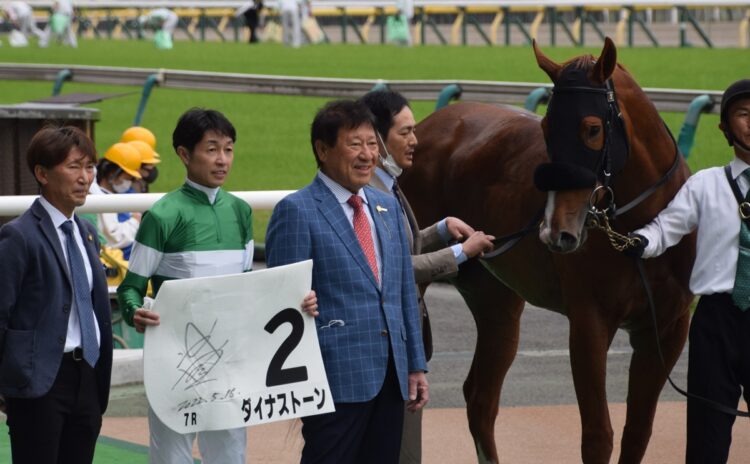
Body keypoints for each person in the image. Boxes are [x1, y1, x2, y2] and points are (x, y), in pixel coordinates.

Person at [116, 108, 317, 464]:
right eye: (211, 149)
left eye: (228, 149)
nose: (222, 160)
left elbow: (246, 288)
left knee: (229, 452)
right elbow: (131, 288)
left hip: (230, 356)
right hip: (174, 356)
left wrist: (295, 301)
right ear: (184, 154)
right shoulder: (162, 215)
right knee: (171, 453)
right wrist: (136, 311)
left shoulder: (240, 212)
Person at [265, 100, 429, 463]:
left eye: (372, 144)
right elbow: (278, 302)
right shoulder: (297, 210)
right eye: (355, 144)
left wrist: (415, 365)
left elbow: (404, 293)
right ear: (323, 150)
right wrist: (296, 302)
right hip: (332, 377)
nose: (367, 155)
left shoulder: (384, 206)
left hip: (391, 376)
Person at [360, 90, 495, 464]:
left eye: (414, 131)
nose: (415, 141)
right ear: (376, 137)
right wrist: (460, 253)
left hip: (404, 346)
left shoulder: (389, 184)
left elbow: (406, 243)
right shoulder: (370, 192)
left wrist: (441, 228)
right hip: (385, 345)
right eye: (405, 132)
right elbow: (393, 269)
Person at [626, 79, 750, 463]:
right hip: (716, 322)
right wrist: (640, 241)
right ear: (725, 127)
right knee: (707, 438)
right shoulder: (705, 184)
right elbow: (667, 227)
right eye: (744, 114)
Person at [0, 126, 113, 463]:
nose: (85, 178)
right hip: (40, 381)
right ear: (42, 173)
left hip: (88, 376)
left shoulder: (87, 232)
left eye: (90, 167)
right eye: (74, 166)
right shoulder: (18, 236)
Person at [93, 142, 143, 259]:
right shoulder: (101, 200)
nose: (129, 183)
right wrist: (135, 221)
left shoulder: (113, 196)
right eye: (127, 178)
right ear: (112, 173)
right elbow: (114, 238)